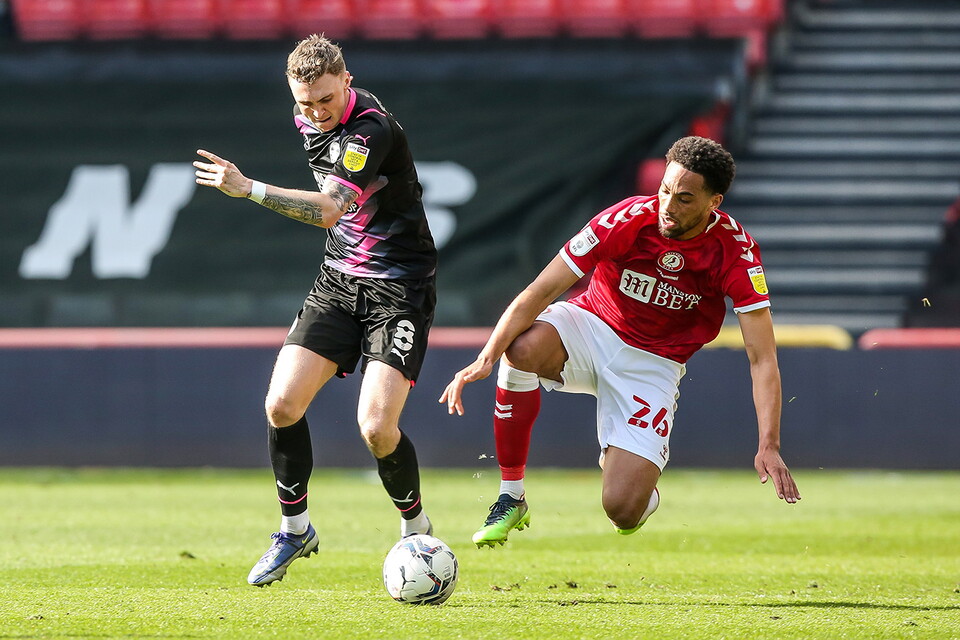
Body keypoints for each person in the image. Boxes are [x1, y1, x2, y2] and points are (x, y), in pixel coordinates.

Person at [440, 136, 801, 548]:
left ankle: (637, 483)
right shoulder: (626, 218)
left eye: (684, 198)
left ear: (714, 202)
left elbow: (762, 358)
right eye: (664, 190)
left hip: (654, 364)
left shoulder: (736, 252)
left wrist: (769, 444)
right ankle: (511, 495)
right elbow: (541, 290)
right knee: (520, 349)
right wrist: (486, 357)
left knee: (623, 511)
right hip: (591, 326)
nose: (668, 206)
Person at [193, 34, 437, 585]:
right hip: (339, 281)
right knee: (281, 405)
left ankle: (416, 528)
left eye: (326, 99)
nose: (316, 112)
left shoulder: (370, 131)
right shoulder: (308, 117)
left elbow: (329, 210)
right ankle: (295, 530)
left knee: (376, 428)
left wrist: (249, 188)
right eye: (304, 102)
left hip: (399, 287)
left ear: (347, 81)